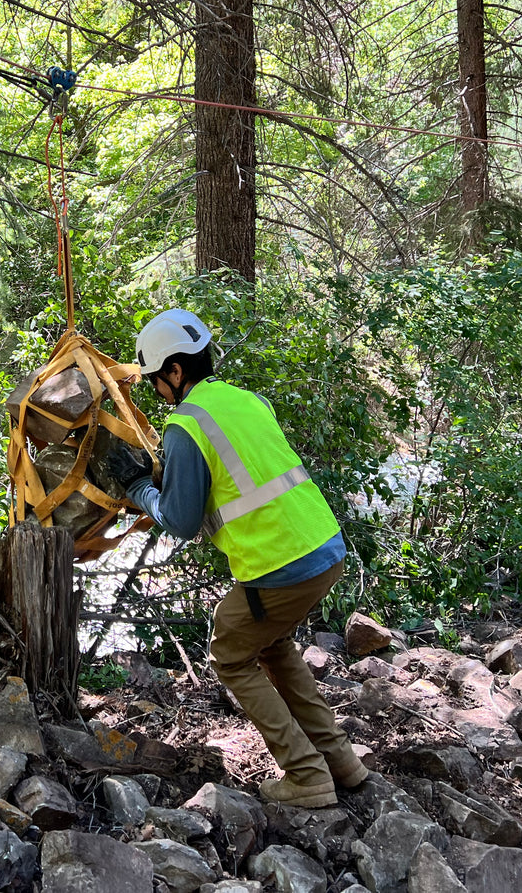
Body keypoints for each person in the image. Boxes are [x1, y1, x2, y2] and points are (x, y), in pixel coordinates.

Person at [103, 308, 366, 808]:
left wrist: (139, 489)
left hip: (278, 565)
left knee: (229, 653)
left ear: (176, 371)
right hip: (324, 547)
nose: (159, 392)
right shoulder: (247, 400)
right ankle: (341, 763)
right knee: (271, 645)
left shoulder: (186, 424)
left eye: (158, 380)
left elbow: (180, 521)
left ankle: (308, 775)